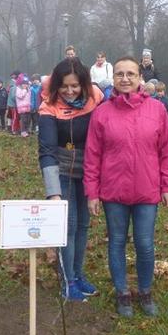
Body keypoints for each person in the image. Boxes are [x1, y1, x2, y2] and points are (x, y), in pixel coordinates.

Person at [84, 55, 168, 317]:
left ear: (140, 78)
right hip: (113, 191)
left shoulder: (157, 110)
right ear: (113, 78)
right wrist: (92, 192)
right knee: (116, 241)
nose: (125, 79)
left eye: (131, 74)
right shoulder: (102, 113)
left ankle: (145, 290)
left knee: (145, 244)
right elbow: (92, 156)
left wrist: (167, 185)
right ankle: (123, 292)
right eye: (120, 74)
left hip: (147, 190)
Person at [38, 58, 105, 301]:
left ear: (84, 84)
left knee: (84, 225)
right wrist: (53, 192)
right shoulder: (49, 105)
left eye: (75, 86)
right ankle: (68, 281)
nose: (69, 91)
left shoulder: (96, 97)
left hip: (89, 170)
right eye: (64, 86)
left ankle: (78, 273)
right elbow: (46, 150)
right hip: (63, 169)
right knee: (69, 225)